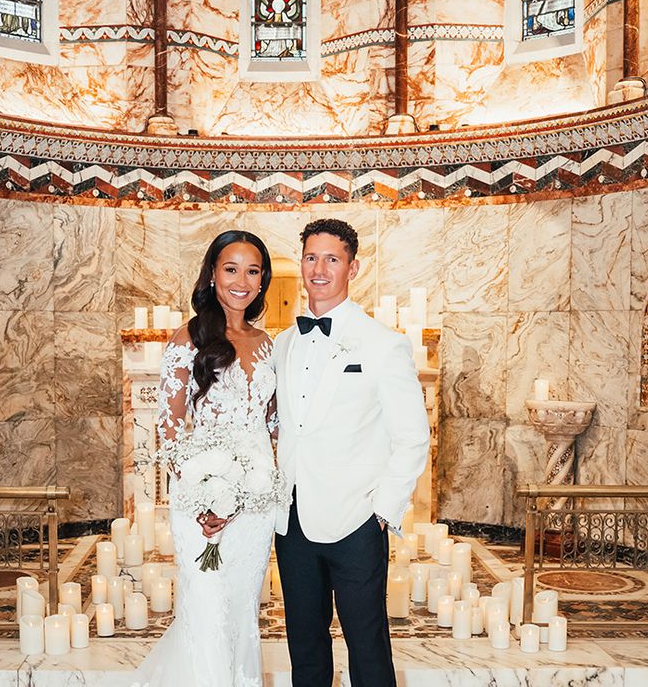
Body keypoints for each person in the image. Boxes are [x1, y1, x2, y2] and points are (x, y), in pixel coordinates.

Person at [274, 217, 430, 687]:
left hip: (356, 520)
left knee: (367, 645)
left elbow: (413, 436)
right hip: (293, 519)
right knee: (304, 642)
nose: (319, 269)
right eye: (311, 257)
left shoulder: (383, 344)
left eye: (332, 259)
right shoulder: (283, 343)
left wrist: (382, 511)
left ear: (353, 267)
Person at [131, 230, 281, 687]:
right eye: (231, 268)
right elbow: (170, 425)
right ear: (212, 275)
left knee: (240, 610)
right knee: (208, 609)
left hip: (256, 501)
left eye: (252, 271)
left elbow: (272, 425)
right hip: (202, 504)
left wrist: (267, 480)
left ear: (262, 280)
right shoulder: (188, 338)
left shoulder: (267, 342)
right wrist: (202, 499)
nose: (242, 280)